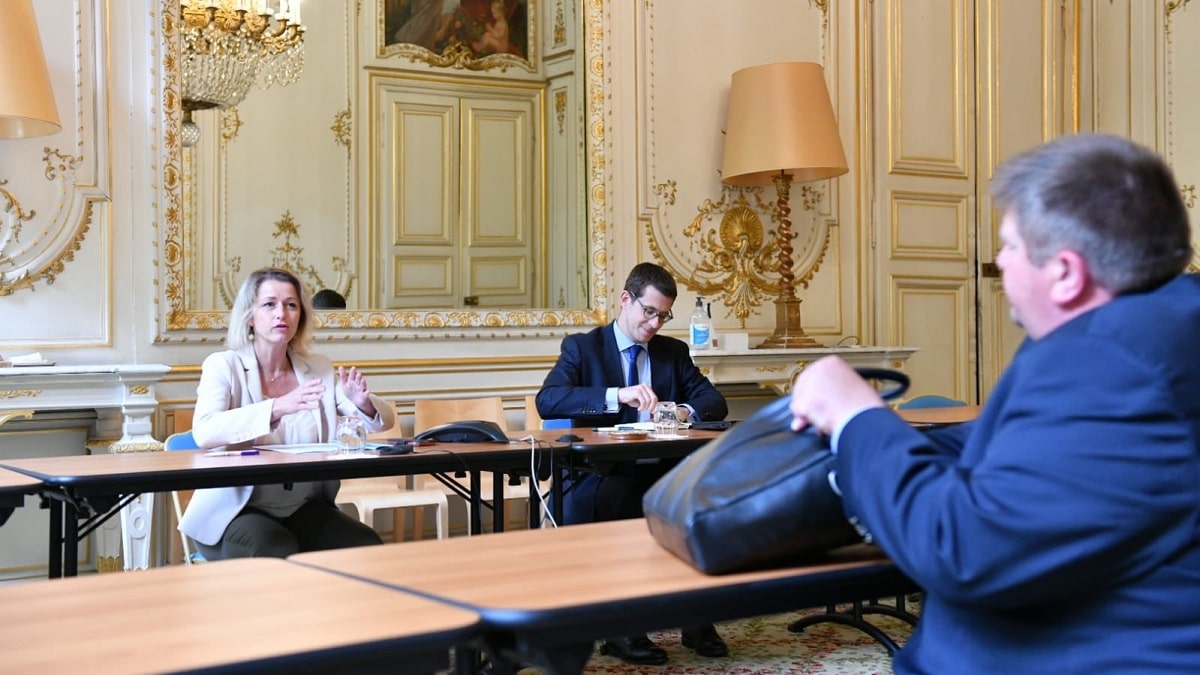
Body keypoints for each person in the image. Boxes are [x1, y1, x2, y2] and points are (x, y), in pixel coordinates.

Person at [788, 134, 1200, 673]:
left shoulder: (1109, 363)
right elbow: (1010, 445)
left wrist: (854, 415)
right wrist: (878, 445)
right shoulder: (1161, 325)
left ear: (1066, 274)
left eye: (1009, 246)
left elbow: (963, 549)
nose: (999, 263)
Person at [537, 262, 730, 665]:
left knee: (699, 497)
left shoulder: (672, 352)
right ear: (626, 299)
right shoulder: (583, 348)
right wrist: (616, 395)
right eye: (649, 312)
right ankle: (623, 629)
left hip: (658, 469)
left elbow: (714, 401)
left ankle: (696, 616)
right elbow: (549, 400)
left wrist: (683, 411)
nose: (655, 324)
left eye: (664, 316)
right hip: (598, 477)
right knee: (629, 497)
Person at [178, 267, 396, 560]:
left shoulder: (318, 367)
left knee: (365, 543)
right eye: (269, 304)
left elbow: (381, 422)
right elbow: (205, 431)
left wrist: (363, 402)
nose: (281, 313)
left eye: (291, 305)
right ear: (250, 316)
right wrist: (278, 407)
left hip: (300, 509)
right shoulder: (224, 366)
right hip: (232, 512)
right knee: (275, 548)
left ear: (301, 317)